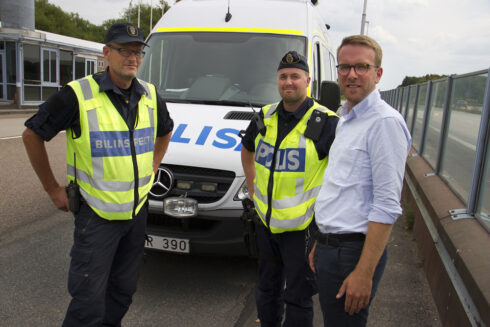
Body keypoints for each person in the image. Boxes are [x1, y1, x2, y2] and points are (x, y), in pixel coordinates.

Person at [22, 22, 173, 326]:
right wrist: (53, 189)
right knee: (88, 301)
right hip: (96, 217)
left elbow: (165, 131)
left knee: (122, 292)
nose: (132, 57)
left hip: (135, 213)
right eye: (123, 50)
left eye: (137, 51)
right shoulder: (77, 95)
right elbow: (31, 135)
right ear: (106, 53)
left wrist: (155, 164)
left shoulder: (150, 96)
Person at [309, 35, 412, 327]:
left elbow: (387, 205)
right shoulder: (347, 117)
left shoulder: (384, 123)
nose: (351, 74)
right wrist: (322, 238)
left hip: (352, 253)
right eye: (344, 67)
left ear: (377, 74)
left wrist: (364, 272)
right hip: (333, 245)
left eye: (362, 67)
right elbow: (342, 188)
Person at [241, 51, 339, 327]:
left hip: (302, 230)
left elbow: (339, 177)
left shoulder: (326, 123)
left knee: (298, 297)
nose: (288, 82)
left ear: (308, 80)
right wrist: (252, 189)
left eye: (295, 76)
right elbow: (247, 151)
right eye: (283, 77)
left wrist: (323, 228)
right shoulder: (265, 117)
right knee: (266, 292)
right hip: (266, 224)